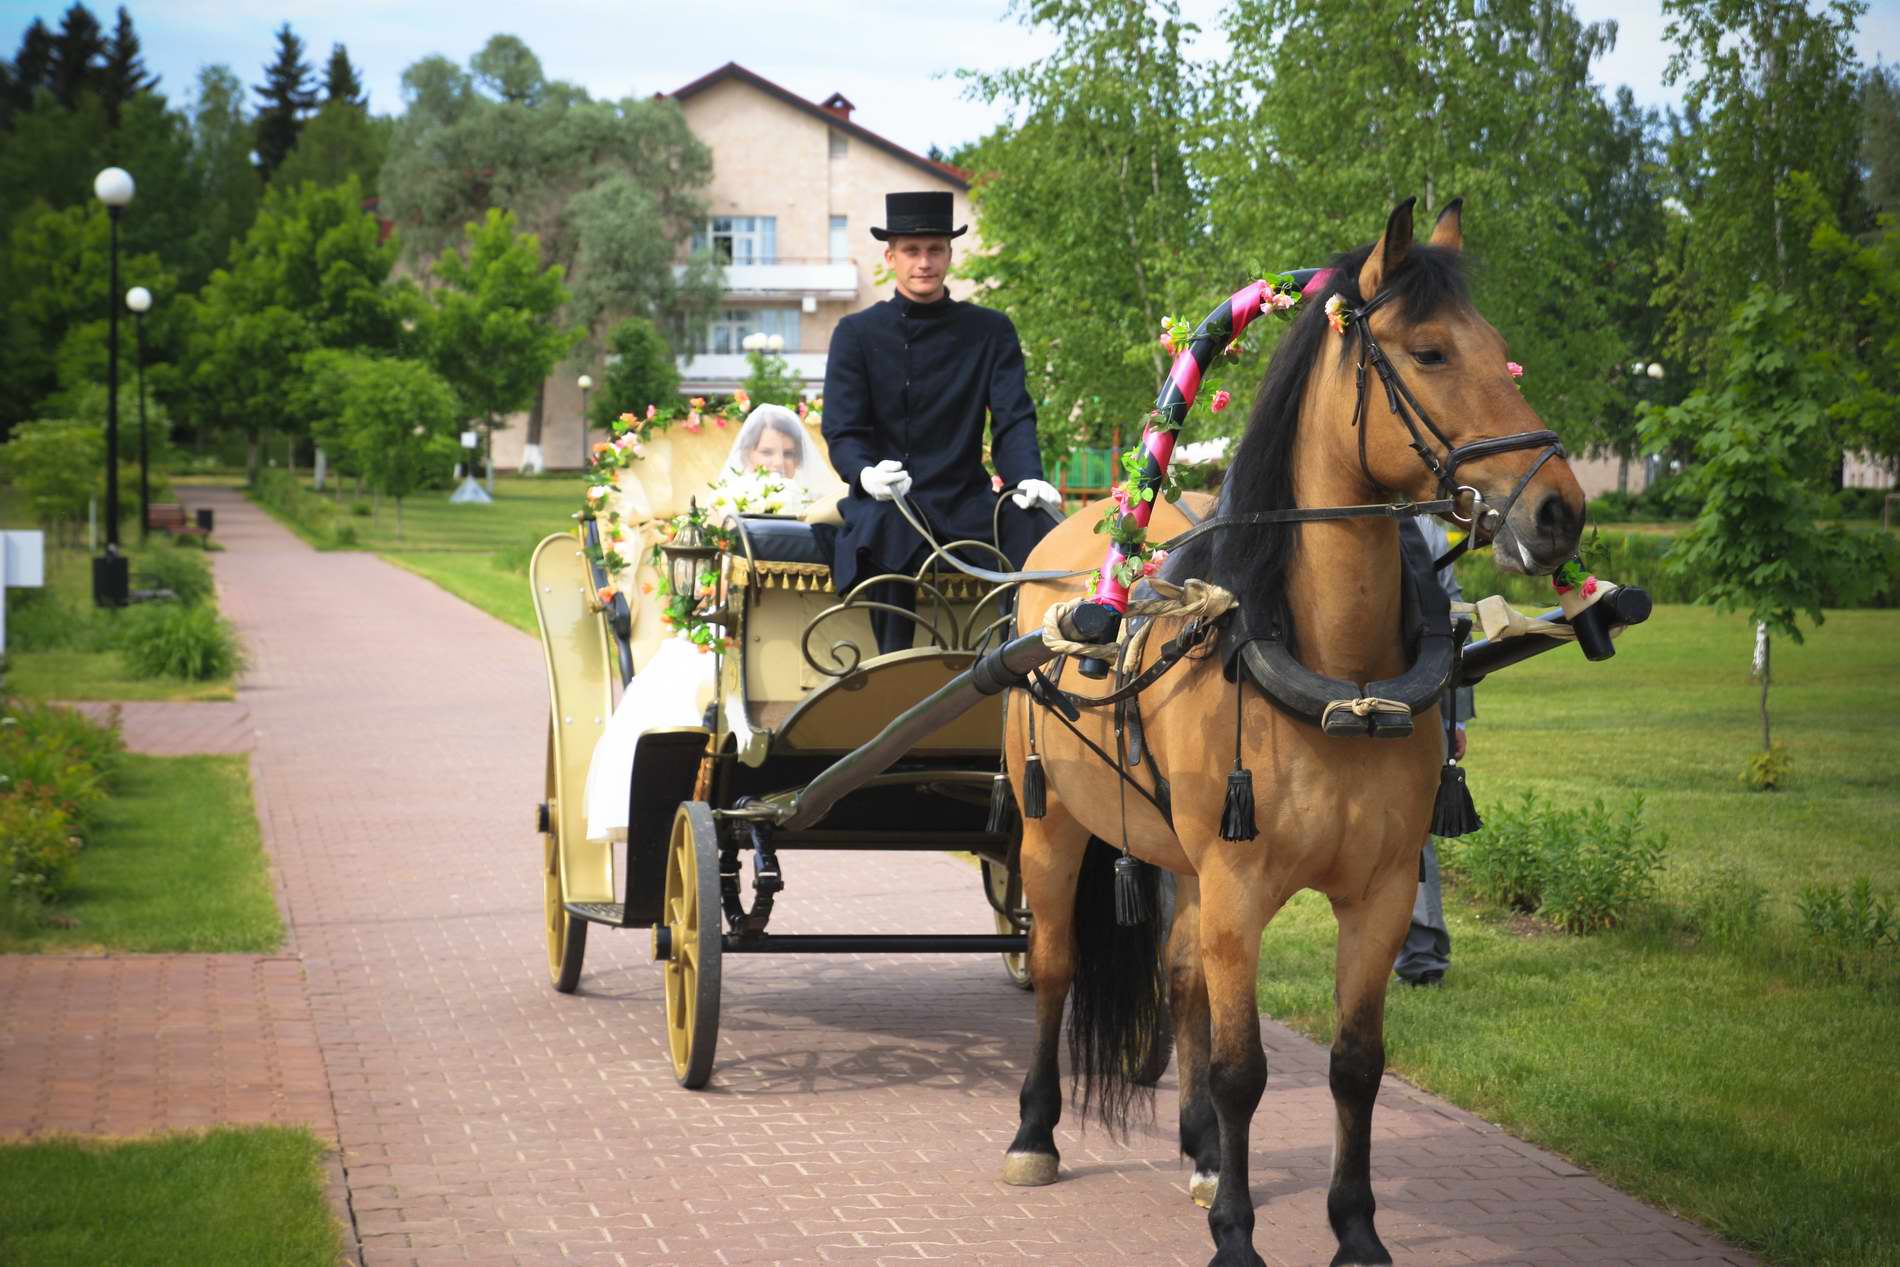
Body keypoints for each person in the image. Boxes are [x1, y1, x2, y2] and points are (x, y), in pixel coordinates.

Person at [821, 190, 1061, 655]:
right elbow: (844, 429)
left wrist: (1028, 477)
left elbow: (1012, 419)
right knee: (884, 526)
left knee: (1030, 522)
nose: (924, 262)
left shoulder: (990, 331)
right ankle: (894, 665)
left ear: (950, 254)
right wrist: (865, 474)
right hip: (891, 496)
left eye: (935, 250)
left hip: (965, 498)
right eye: (912, 251)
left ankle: (1024, 661)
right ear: (891, 257)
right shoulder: (855, 334)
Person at [581, 405, 833, 844]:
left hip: (803, 627)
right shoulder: (721, 508)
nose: (779, 463)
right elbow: (697, 588)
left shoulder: (815, 509)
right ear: (750, 454)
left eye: (789, 453)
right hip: (729, 623)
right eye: (768, 452)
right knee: (689, 678)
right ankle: (667, 795)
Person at [1395, 514, 1473, 987]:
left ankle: (1422, 956)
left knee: (1413, 822)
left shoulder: (1425, 528)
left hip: (1412, 703)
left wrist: (1454, 717)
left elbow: (1453, 617)